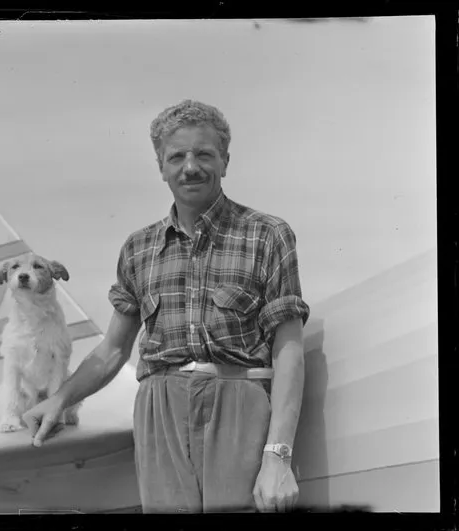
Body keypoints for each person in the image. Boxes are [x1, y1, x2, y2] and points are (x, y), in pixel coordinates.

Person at [22, 99, 310, 513]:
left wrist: (278, 456)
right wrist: (59, 399)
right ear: (161, 166)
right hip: (159, 412)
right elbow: (112, 351)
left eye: (204, 154)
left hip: (240, 406)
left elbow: (289, 349)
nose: (190, 167)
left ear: (225, 161)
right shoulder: (138, 249)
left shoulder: (267, 235)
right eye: (177, 156)